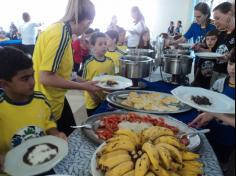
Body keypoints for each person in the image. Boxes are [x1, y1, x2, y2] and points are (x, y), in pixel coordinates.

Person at [32, 0, 100, 136]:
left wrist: (84, 81)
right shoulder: (61, 34)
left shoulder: (57, 29)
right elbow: (46, 77)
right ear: (87, 21)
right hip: (50, 103)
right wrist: (85, 87)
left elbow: (63, 73)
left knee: (78, 122)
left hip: (50, 99)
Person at [0, 47, 66, 172]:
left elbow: (49, 122)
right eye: (25, 78)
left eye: (32, 75)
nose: (32, 82)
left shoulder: (40, 100)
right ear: (3, 84)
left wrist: (55, 134)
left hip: (44, 161)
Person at [189, 48, 235, 174]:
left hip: (229, 138)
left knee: (220, 161)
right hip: (211, 129)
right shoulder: (221, 82)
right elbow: (212, 103)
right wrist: (206, 112)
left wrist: (215, 114)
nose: (233, 68)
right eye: (231, 63)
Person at [82, 32, 115, 116]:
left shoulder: (110, 62)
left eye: (105, 43)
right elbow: (85, 82)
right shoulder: (88, 63)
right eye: (100, 44)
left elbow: (113, 81)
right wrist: (94, 97)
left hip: (106, 99)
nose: (104, 46)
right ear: (93, 46)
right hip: (92, 100)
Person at [211, 2, 235, 85]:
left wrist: (229, 55)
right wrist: (200, 48)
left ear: (229, 14)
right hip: (216, 71)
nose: (215, 22)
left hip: (230, 76)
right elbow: (213, 51)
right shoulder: (221, 33)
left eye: (217, 18)